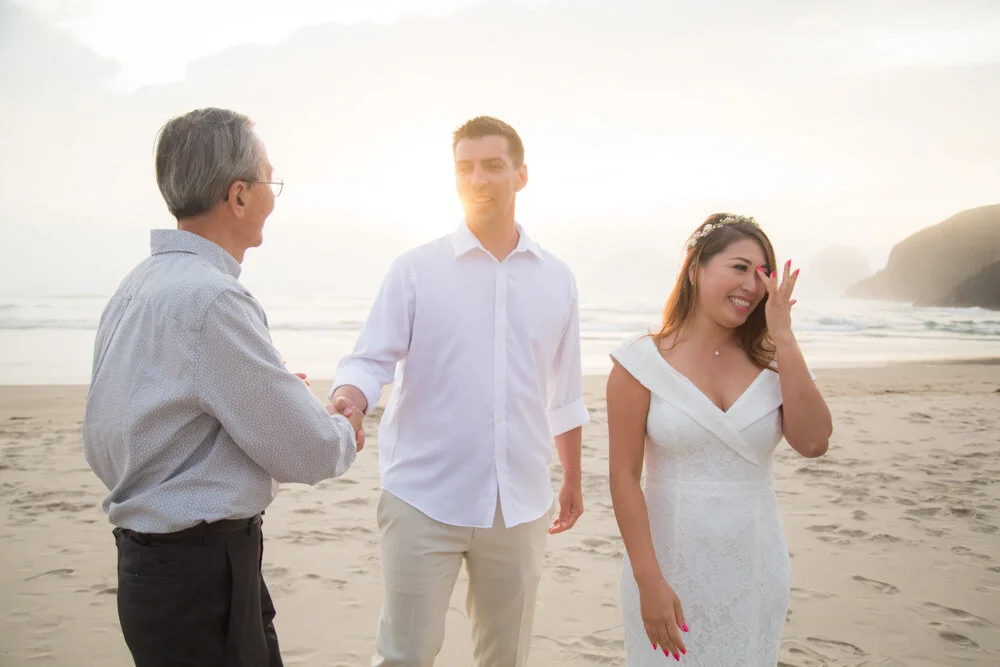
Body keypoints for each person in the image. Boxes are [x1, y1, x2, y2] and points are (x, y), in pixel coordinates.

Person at [83, 107, 364, 667]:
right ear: (238, 196)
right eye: (268, 181)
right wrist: (342, 425)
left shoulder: (138, 285)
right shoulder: (212, 299)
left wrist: (257, 397)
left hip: (152, 570)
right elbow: (307, 451)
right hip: (202, 577)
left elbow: (118, 431)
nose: (272, 196)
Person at [329, 116, 589, 666]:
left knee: (505, 658)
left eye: (493, 166)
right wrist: (350, 398)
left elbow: (563, 393)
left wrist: (572, 478)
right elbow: (369, 358)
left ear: (521, 175)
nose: (478, 179)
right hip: (424, 496)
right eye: (465, 168)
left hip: (519, 502)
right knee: (404, 656)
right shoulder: (416, 269)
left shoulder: (557, 279)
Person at [607, 213, 832, 665]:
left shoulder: (772, 362)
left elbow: (814, 442)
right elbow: (623, 477)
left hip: (754, 568)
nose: (752, 284)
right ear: (696, 270)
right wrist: (647, 580)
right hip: (667, 568)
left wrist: (783, 336)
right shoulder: (640, 363)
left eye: (762, 272)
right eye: (739, 267)